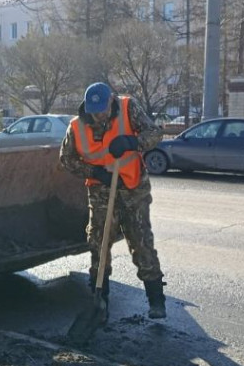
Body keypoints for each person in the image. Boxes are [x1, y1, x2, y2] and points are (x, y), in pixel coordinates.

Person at [59, 82, 166, 319]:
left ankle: (156, 300)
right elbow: (66, 159)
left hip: (133, 188)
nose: (98, 116)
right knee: (98, 241)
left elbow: (155, 133)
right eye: (93, 111)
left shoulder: (128, 108)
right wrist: (94, 173)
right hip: (100, 191)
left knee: (141, 241)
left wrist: (132, 142)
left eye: (102, 110)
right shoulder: (76, 127)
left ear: (111, 101)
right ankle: (100, 297)